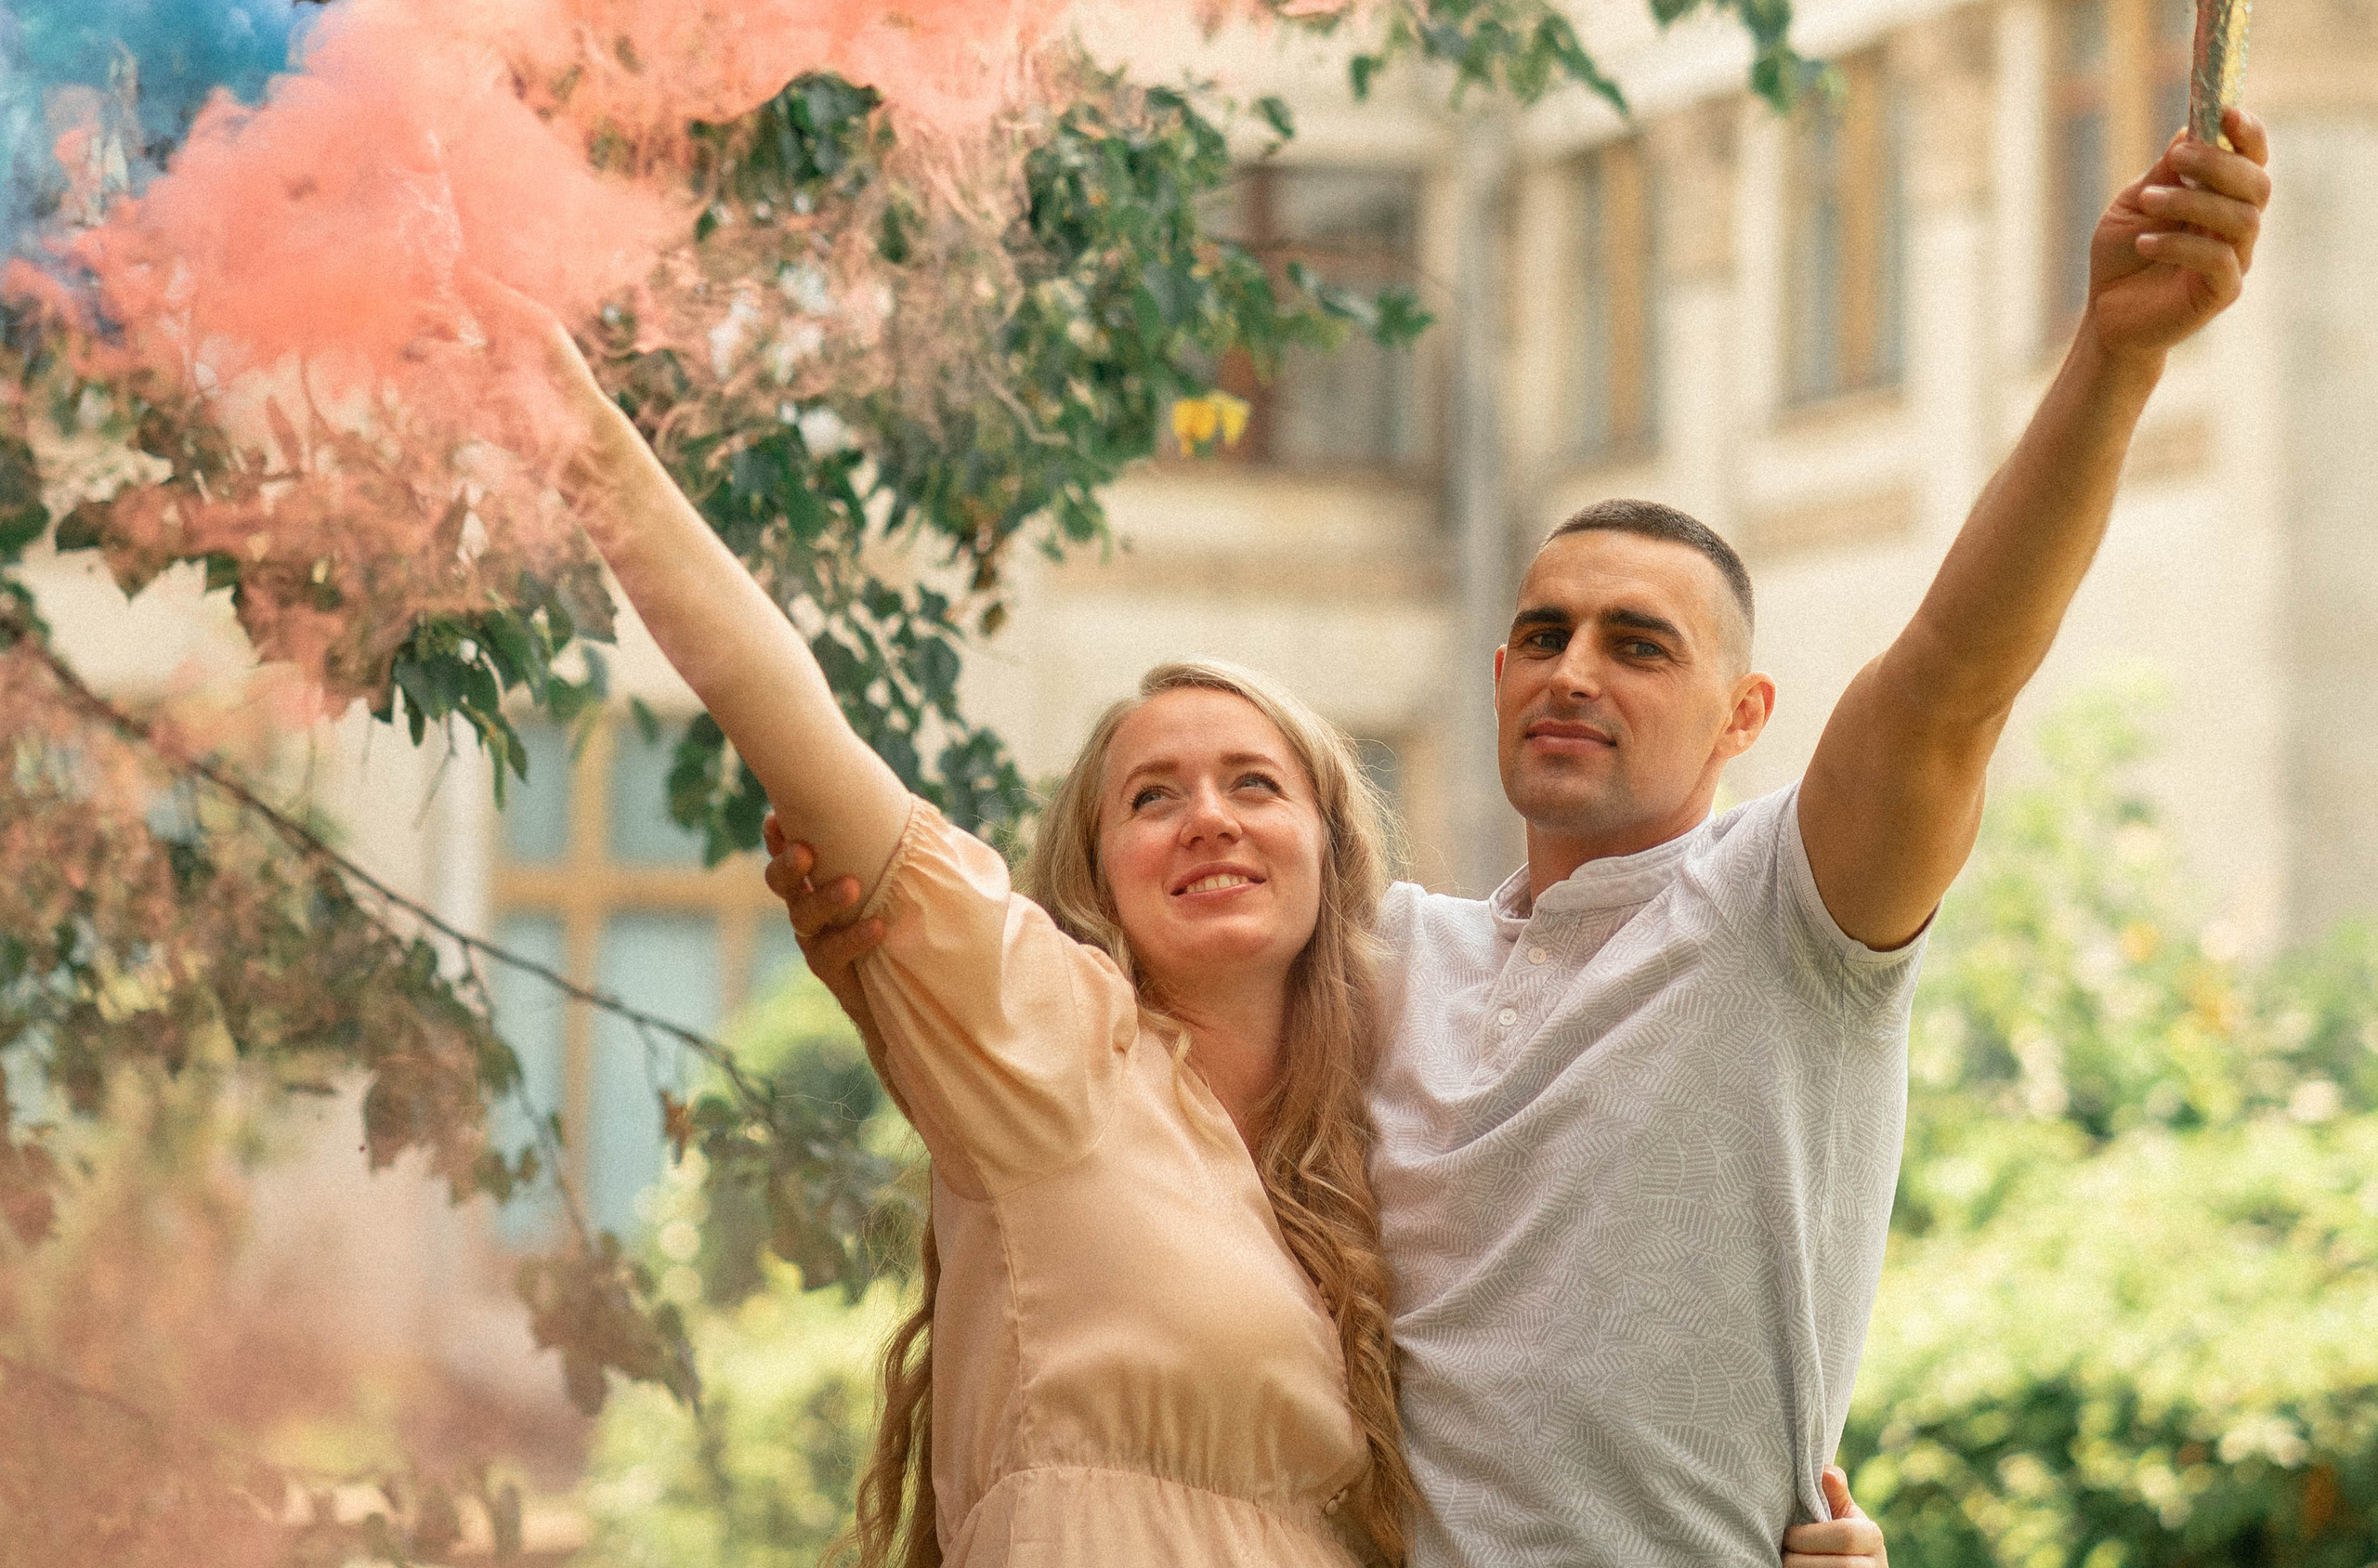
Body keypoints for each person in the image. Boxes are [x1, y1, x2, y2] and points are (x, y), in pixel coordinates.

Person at [776, 109, 2272, 1565]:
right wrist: (880, 955)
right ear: (1496, 683)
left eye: (1639, 645)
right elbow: (1114, 1040)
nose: (1575, 671)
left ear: (1744, 713)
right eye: (1544, 634)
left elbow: (1952, 680)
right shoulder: (1381, 961)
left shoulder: (1785, 913)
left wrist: (2114, 357)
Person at [479, 283, 1891, 1568]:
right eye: (1152, 795)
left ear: (1334, 860)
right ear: (1093, 873)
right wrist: (580, 437)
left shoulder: (1365, 1162)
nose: (1208, 818)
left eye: (1254, 785)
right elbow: (790, 719)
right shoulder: (1044, 1037)